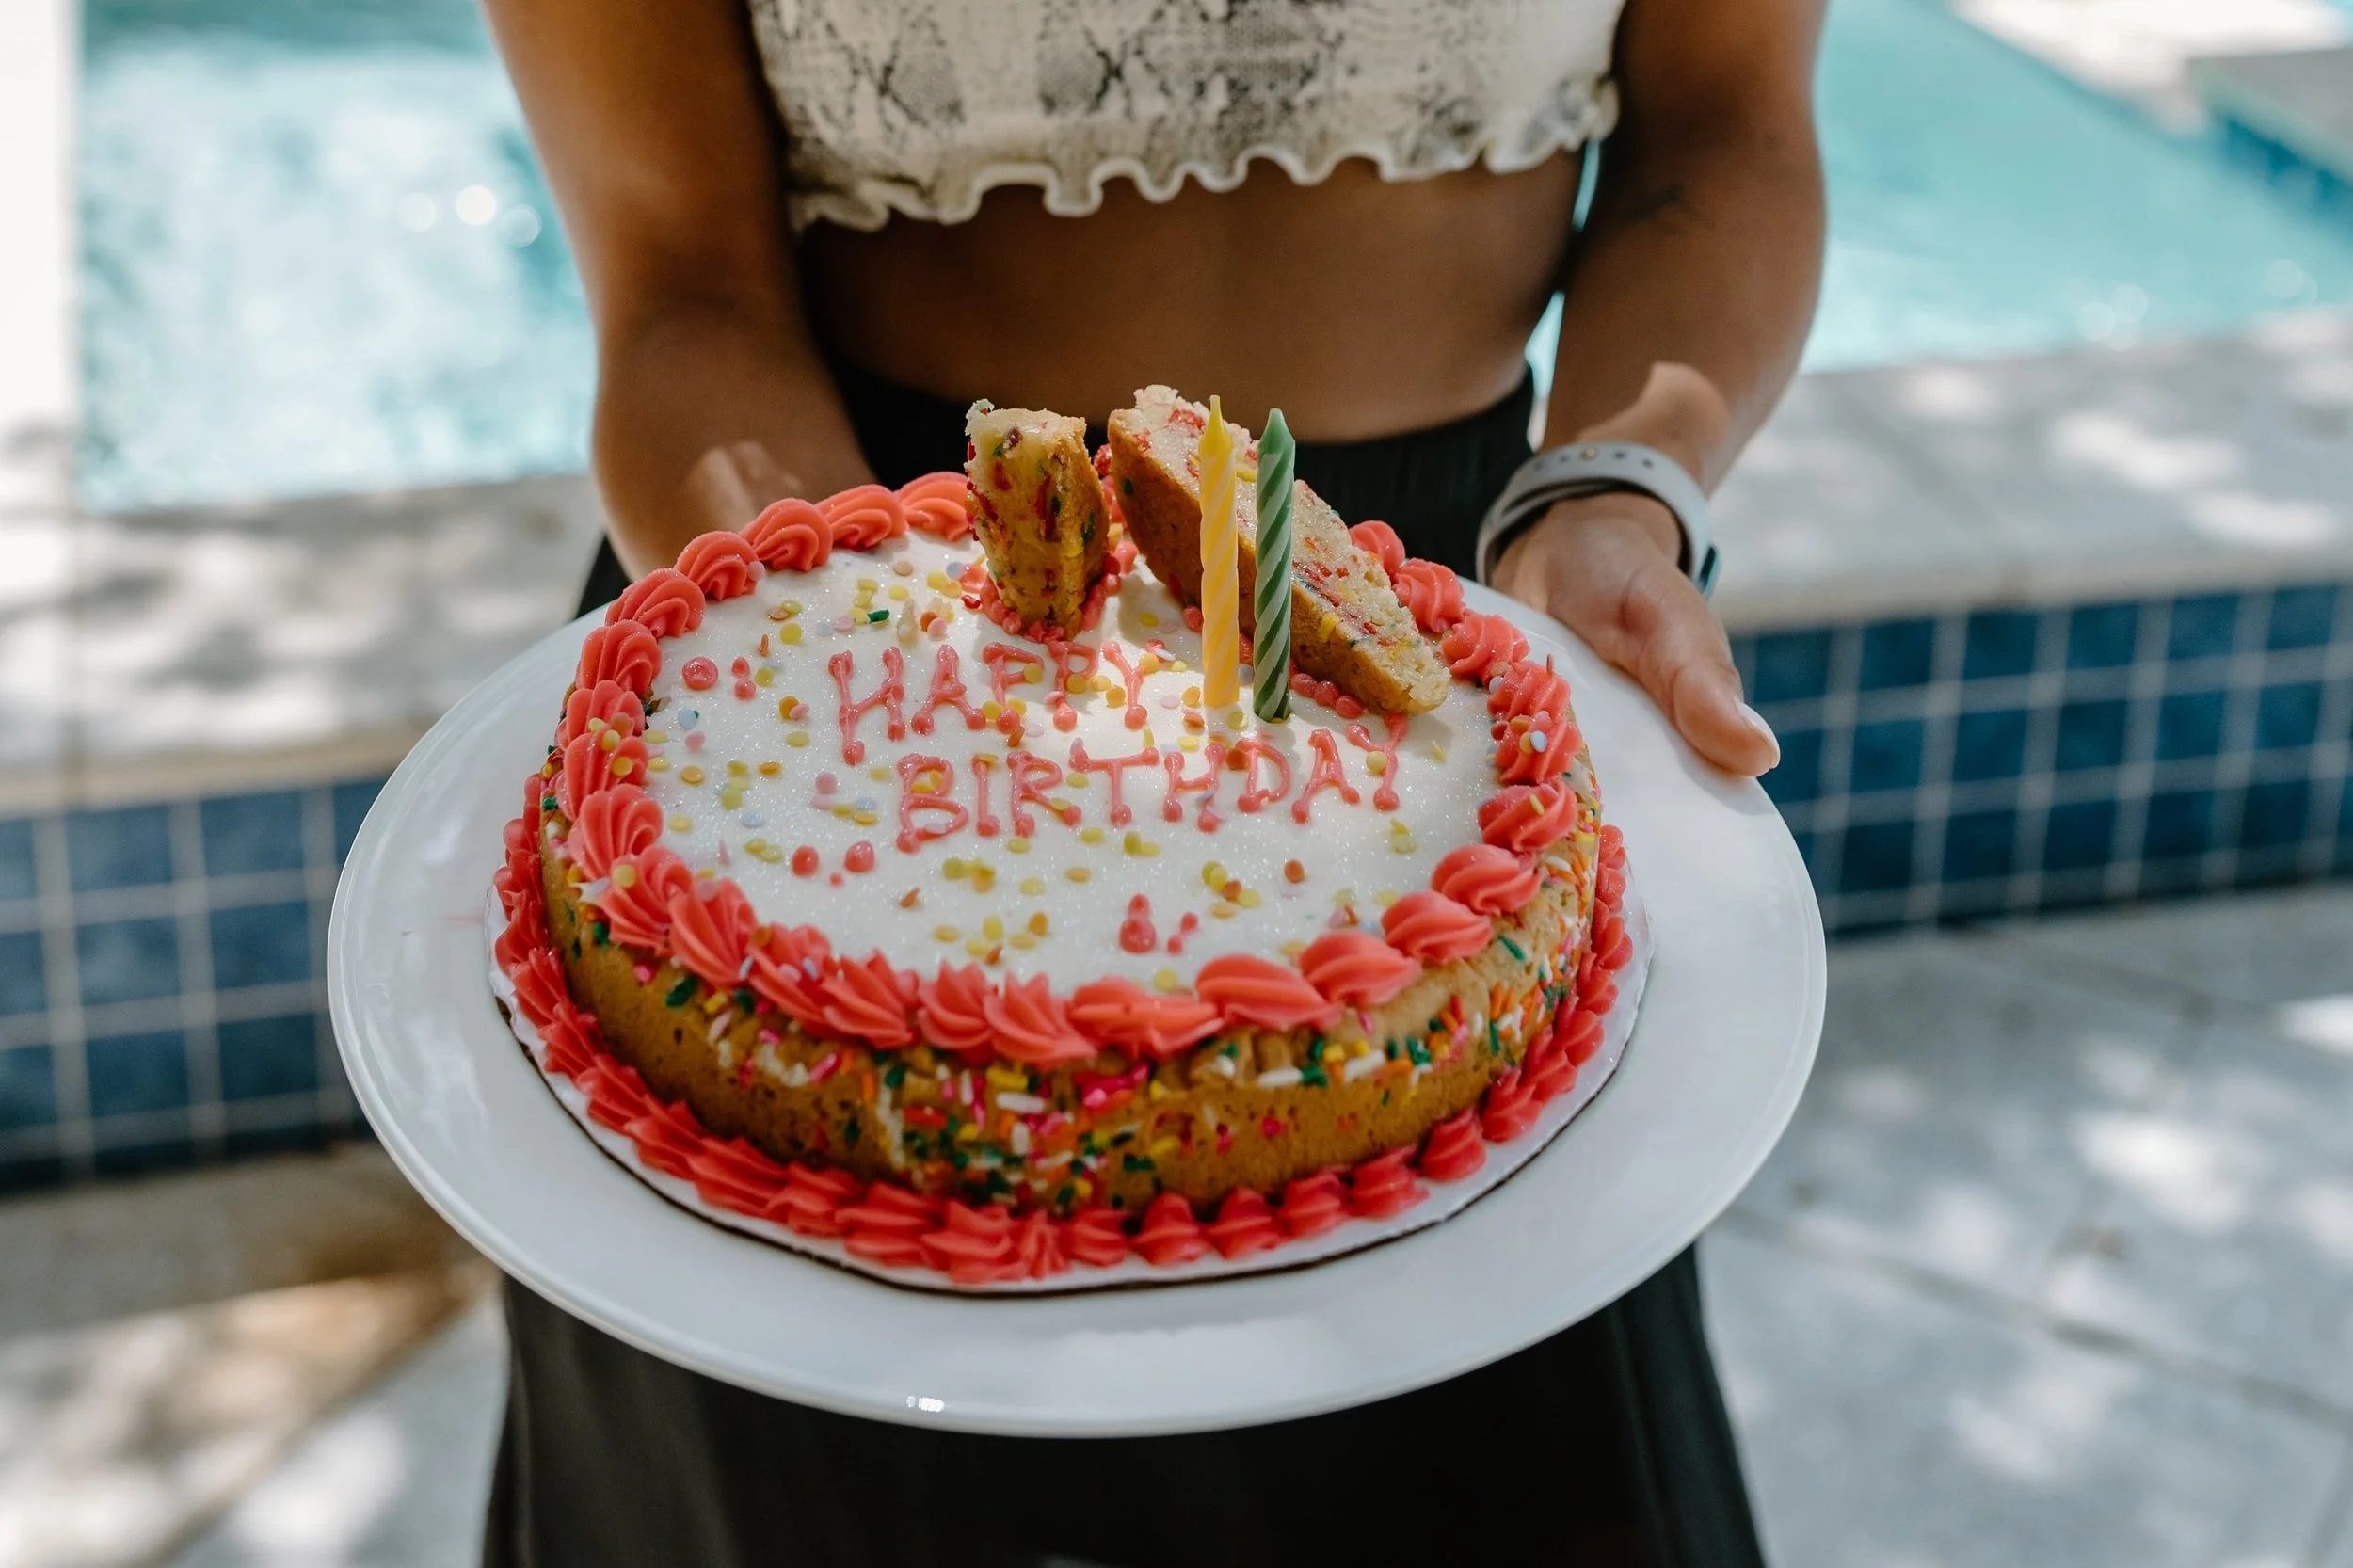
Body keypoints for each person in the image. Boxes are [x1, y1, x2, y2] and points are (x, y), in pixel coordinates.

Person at [479, 0, 1822, 1558]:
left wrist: (1617, 482)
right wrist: (859, 624)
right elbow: (679, 288)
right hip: (842, 640)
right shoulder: (844, 646)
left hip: (1433, 640)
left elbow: (1727, 127)